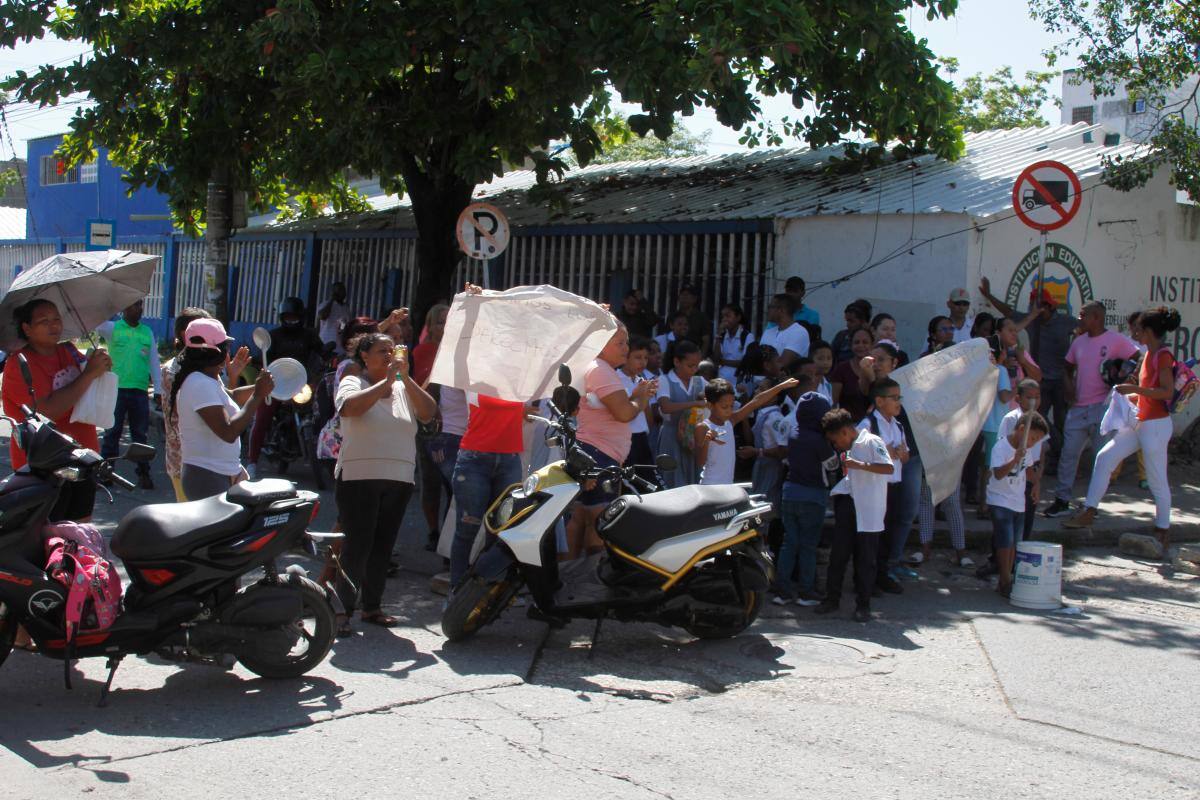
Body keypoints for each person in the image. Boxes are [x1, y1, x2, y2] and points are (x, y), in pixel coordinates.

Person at [331, 331, 436, 634]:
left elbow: (428, 413)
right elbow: (350, 408)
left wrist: (406, 379)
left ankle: (372, 607)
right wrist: (387, 381)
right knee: (357, 545)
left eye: (393, 350)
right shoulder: (353, 381)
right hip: (358, 477)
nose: (389, 355)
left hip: (399, 478)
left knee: (383, 545)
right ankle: (341, 610)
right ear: (364, 356)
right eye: (382, 351)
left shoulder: (404, 387)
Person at [1062, 307, 1180, 551]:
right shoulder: (1149, 354)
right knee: (1104, 458)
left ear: (1149, 331)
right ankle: (1089, 511)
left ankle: (1162, 531)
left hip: (1155, 425)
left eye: (1138, 329)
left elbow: (1167, 392)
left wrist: (1134, 390)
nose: (1134, 333)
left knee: (1157, 480)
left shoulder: (1162, 355)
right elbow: (1149, 392)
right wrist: (1128, 395)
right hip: (1140, 421)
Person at [2, 299, 112, 521]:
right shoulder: (19, 363)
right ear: (27, 328)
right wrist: (89, 374)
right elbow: (46, 413)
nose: (53, 325)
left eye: (56, 319)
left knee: (79, 531)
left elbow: (88, 388)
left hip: (82, 458)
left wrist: (99, 366)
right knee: (49, 532)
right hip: (44, 467)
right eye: (44, 321)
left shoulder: (68, 350)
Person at [569, 325, 659, 558]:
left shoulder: (598, 367)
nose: (625, 348)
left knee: (582, 516)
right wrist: (641, 398)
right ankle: (590, 576)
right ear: (601, 345)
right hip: (599, 455)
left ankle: (570, 573)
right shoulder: (601, 370)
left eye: (626, 342)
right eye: (619, 343)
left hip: (596, 454)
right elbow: (625, 413)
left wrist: (636, 396)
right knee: (598, 521)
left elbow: (617, 407)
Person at [1043, 301, 1139, 517]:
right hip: (1078, 408)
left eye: (1083, 314)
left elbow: (1136, 359)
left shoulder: (1115, 340)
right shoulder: (1078, 342)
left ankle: (1091, 505)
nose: (1079, 318)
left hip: (1103, 408)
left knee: (1100, 458)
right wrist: (1068, 386)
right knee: (1068, 455)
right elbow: (1067, 368)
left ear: (1096, 317)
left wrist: (1121, 376)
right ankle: (1062, 500)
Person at [171, 319, 274, 500]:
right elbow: (228, 432)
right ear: (212, 351)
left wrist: (265, 387)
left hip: (222, 473)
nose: (228, 352)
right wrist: (258, 395)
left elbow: (232, 396)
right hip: (207, 477)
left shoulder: (207, 379)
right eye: (225, 346)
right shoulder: (199, 383)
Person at [980, 280, 1076, 469]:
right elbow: (1009, 312)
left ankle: (1057, 459)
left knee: (1053, 426)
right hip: (997, 420)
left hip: (1054, 382)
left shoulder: (1064, 322)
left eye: (1043, 306)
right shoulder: (990, 351)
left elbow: (1036, 375)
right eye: (1011, 331)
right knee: (994, 465)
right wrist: (989, 296)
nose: (1015, 333)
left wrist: (1022, 361)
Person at [814, 408, 894, 623]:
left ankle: (863, 605)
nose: (835, 445)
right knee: (838, 556)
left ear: (845, 432)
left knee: (866, 559)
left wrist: (860, 465)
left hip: (869, 508)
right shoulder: (848, 449)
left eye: (835, 441)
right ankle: (831, 599)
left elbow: (888, 467)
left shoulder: (872, 441)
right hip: (849, 504)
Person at [161, 308, 250, 502]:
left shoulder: (204, 375)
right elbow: (225, 428)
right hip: (192, 464)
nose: (227, 352)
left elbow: (224, 401)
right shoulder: (191, 378)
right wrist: (258, 396)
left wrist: (234, 377)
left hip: (216, 466)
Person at [247, 296, 327, 477]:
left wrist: (327, 355)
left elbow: (321, 350)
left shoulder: (309, 335)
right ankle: (252, 462)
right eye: (288, 317)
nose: (291, 320)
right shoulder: (273, 336)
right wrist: (259, 361)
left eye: (294, 317)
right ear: (282, 317)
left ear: (301, 317)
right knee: (261, 419)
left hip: (300, 384)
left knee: (322, 413)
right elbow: (262, 355)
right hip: (276, 386)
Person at [774, 391, 836, 606]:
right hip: (813, 496)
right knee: (808, 546)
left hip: (789, 494)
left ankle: (782, 591)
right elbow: (832, 465)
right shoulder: (820, 441)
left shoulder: (794, 435)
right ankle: (805, 592)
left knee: (789, 544)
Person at [95, 299, 163, 490]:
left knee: (140, 435)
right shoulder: (112, 328)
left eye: (140, 305)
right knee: (112, 433)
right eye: (134, 304)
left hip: (139, 391)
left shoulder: (147, 332)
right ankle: (106, 474)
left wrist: (158, 389)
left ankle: (144, 473)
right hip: (116, 389)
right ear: (124, 307)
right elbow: (97, 323)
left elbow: (154, 362)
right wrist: (112, 302)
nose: (138, 308)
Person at [988, 413, 1049, 597]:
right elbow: (998, 474)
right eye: (1032, 438)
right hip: (999, 500)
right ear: (1022, 429)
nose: (1033, 443)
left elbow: (1028, 470)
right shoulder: (1001, 447)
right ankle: (1005, 578)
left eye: (1036, 440)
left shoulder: (1026, 451)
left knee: (1015, 542)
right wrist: (1014, 459)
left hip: (1018, 501)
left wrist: (1036, 484)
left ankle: (1005, 579)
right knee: (1004, 541)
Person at [695, 377, 797, 485]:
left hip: (728, 485)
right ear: (710, 405)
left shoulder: (730, 421)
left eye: (731, 406)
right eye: (724, 407)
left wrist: (781, 386)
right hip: (709, 485)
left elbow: (756, 401)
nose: (729, 411)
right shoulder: (703, 427)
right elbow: (700, 462)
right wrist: (707, 440)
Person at [655, 340, 706, 488]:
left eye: (697, 366)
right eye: (690, 366)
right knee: (672, 479)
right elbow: (666, 407)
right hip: (671, 437)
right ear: (677, 362)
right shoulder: (664, 380)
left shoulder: (700, 381)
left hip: (693, 438)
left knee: (694, 478)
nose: (694, 370)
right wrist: (695, 403)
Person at [619, 336, 658, 485]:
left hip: (642, 438)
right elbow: (621, 409)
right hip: (624, 439)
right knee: (627, 485)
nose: (643, 362)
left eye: (646, 358)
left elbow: (647, 415)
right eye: (637, 357)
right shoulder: (615, 379)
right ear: (625, 357)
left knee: (649, 484)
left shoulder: (641, 381)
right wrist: (637, 395)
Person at [829, 327, 875, 422]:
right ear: (851, 345)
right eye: (856, 342)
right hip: (848, 425)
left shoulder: (878, 369)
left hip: (874, 424)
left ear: (872, 345)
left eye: (865, 342)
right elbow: (834, 403)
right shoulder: (841, 369)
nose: (861, 345)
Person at [759, 294, 810, 370]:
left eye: (770, 307)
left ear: (782, 310)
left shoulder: (799, 332)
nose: (767, 310)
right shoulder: (768, 332)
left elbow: (782, 364)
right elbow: (758, 359)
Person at [410, 303, 448, 387]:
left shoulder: (458, 350)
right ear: (430, 326)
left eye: (449, 322)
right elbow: (421, 380)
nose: (446, 326)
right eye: (441, 322)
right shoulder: (421, 351)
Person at [714, 304, 755, 382]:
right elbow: (716, 359)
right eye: (723, 317)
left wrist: (723, 362)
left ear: (738, 317)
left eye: (728, 316)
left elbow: (746, 363)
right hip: (722, 381)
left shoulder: (747, 336)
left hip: (739, 383)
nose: (724, 319)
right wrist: (718, 335)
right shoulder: (721, 336)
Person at [672, 282, 710, 354]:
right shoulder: (673, 316)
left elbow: (706, 341)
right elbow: (667, 337)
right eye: (682, 295)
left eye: (688, 295)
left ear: (695, 299)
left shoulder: (702, 317)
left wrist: (700, 358)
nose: (684, 297)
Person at [831, 300, 871, 364]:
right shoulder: (841, 336)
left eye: (851, 321)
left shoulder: (873, 338)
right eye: (847, 321)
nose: (847, 324)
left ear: (863, 322)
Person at [317, 281, 352, 355]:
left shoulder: (346, 308)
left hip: (340, 347)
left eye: (343, 291)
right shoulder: (325, 304)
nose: (342, 293)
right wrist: (332, 300)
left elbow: (344, 324)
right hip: (326, 343)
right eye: (339, 290)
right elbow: (322, 316)